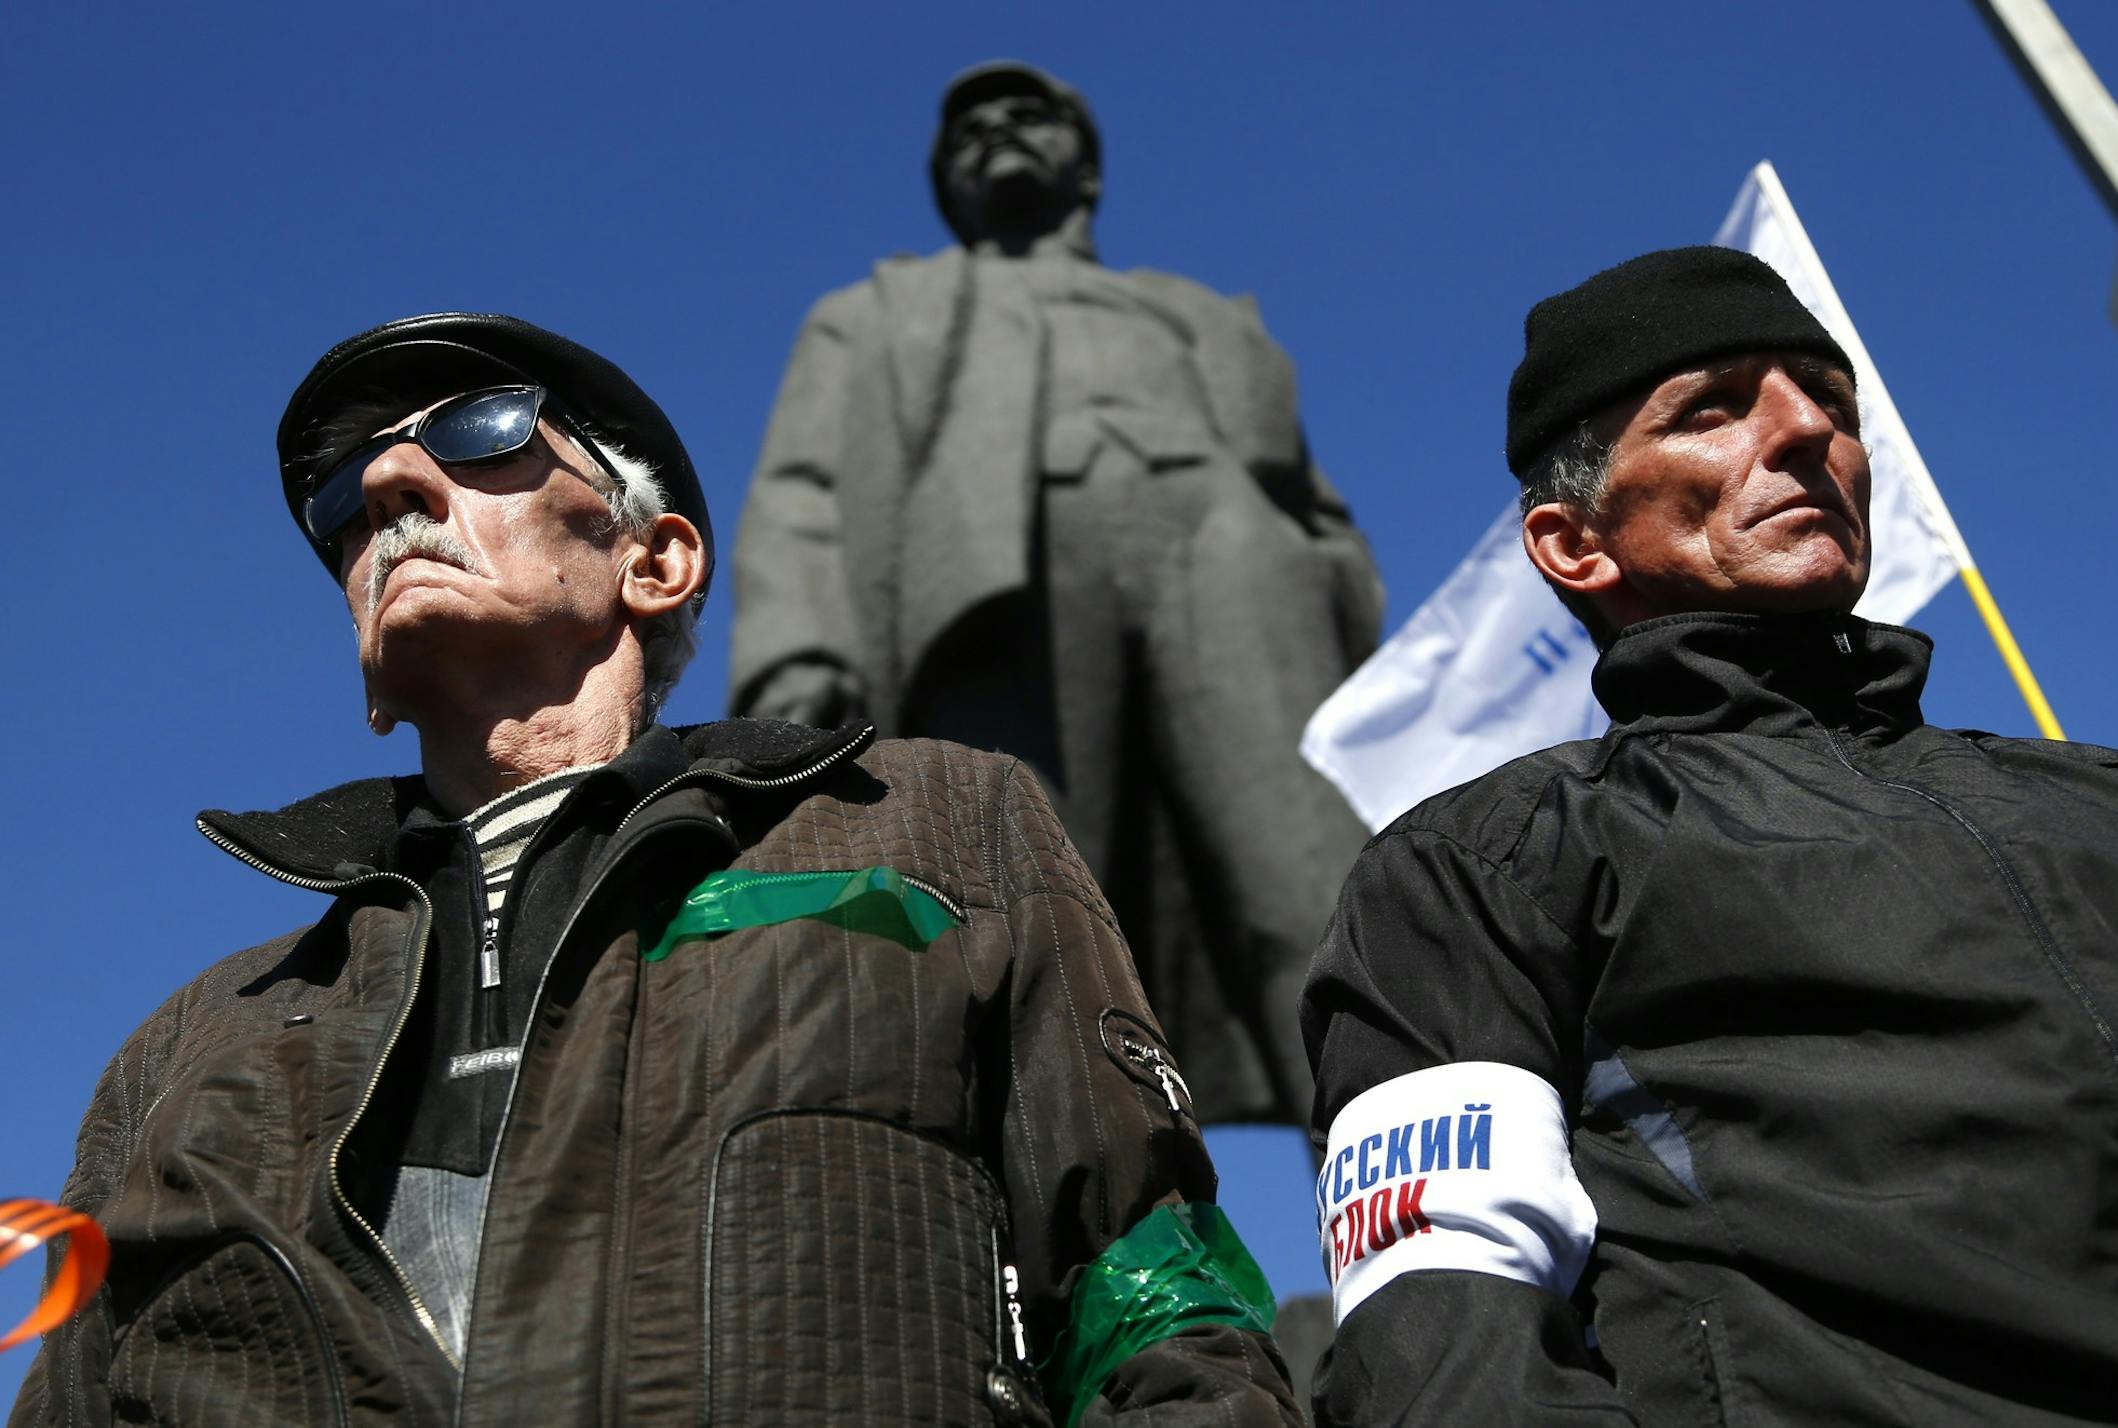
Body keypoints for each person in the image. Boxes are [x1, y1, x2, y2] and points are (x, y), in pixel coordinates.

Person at [12, 314, 1300, 1427]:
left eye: (479, 431)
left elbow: (1160, 1314)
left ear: (655, 559)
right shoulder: (186, 1051)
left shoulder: (933, 833)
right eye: (343, 503)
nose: (392, 484)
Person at [1301, 247, 2118, 1424]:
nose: (1810, 429)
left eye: (1830, 398)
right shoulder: (1486, 861)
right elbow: (1447, 1335)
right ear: (1575, 544)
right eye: (1712, 408)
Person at [729, 62, 1383, 1127]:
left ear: (1087, 164)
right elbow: (804, 489)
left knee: (1308, 888)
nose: (996, 131)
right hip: (994, 595)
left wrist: (1330, 585)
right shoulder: (876, 312)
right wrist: (794, 656)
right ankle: (1094, 1263)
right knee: (1029, 919)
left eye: (1026, 115)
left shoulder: (1202, 315)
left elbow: (1310, 495)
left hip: (1228, 552)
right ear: (945, 182)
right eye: (968, 130)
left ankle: (1402, 1234)